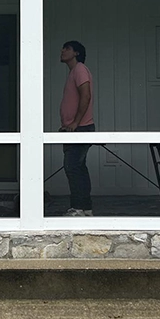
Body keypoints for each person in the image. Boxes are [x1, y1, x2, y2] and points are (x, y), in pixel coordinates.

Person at [59, 40, 95, 216]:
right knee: (78, 167)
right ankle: (85, 209)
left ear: (77, 53)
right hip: (74, 128)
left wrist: (75, 122)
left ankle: (78, 208)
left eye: (67, 49)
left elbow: (86, 96)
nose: (62, 51)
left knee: (72, 167)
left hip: (80, 128)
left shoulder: (80, 69)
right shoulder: (74, 72)